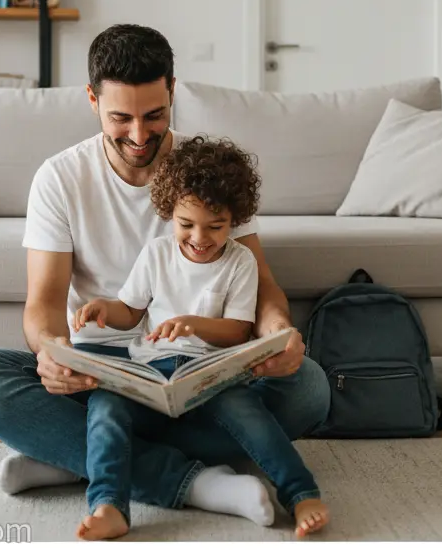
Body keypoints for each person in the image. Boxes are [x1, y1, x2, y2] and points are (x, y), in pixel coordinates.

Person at [0, 23, 330, 525]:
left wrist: (279, 335)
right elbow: (43, 304)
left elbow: (261, 286)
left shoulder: (209, 174)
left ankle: (78, 459)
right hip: (103, 374)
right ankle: (199, 483)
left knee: (310, 388)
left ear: (173, 90)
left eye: (154, 116)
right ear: (91, 99)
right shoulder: (61, 178)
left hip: (200, 378)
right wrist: (51, 356)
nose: (139, 135)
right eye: (120, 118)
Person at [72, 136, 328, 540]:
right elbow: (130, 312)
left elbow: (237, 332)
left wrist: (193, 324)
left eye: (216, 226)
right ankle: (109, 504)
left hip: (212, 375)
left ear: (235, 219)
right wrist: (105, 308)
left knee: (250, 414)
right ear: (169, 212)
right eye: (186, 224)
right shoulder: (156, 253)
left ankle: (301, 493)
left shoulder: (239, 262)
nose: (199, 238)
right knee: (105, 405)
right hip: (149, 371)